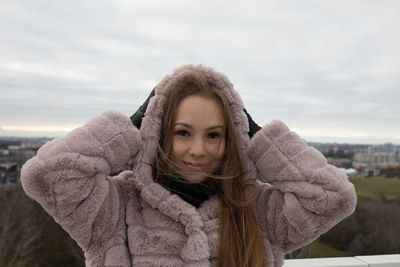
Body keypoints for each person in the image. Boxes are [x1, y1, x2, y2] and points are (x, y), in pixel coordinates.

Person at [21, 64, 357, 267]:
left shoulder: (258, 210)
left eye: (214, 135)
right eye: (182, 132)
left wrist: (255, 134)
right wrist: (137, 122)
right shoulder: (116, 207)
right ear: (160, 134)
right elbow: (48, 175)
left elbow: (332, 197)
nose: (198, 150)